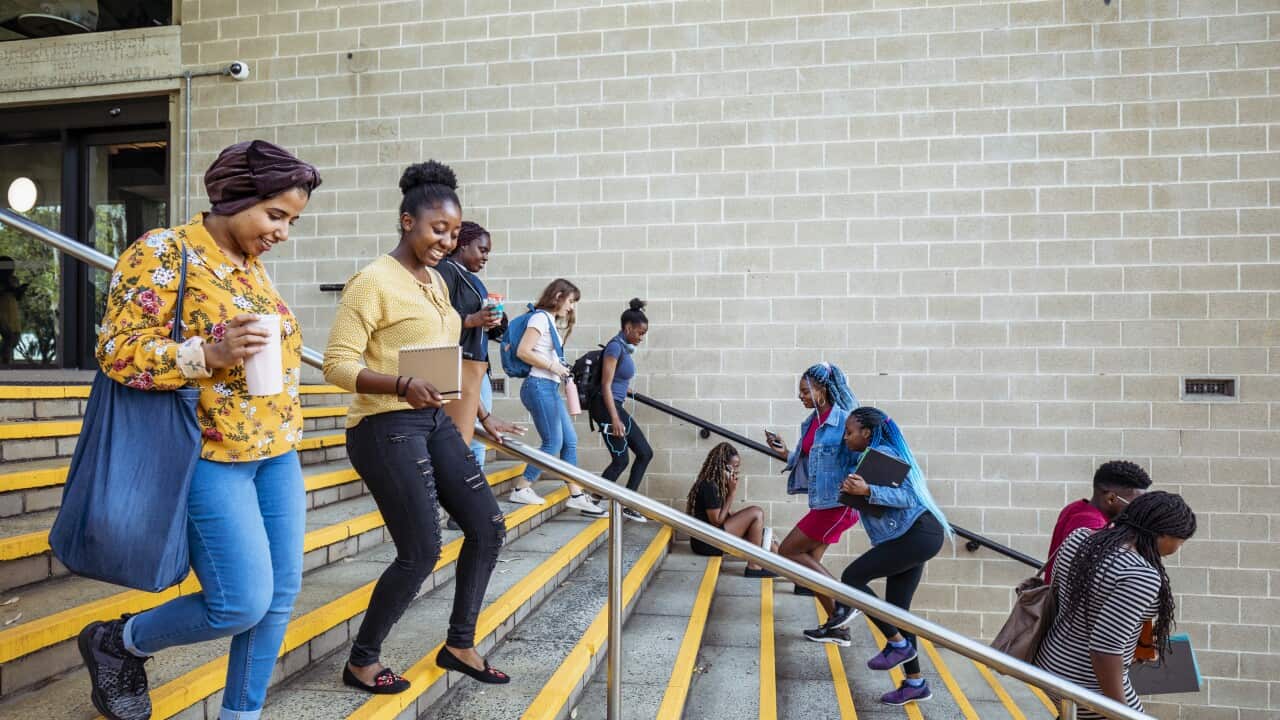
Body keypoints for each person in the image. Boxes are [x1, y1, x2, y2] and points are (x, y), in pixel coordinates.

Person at [77, 140, 321, 720]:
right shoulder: (164, 252)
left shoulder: (250, 266)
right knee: (240, 603)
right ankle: (119, 641)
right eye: (276, 215)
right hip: (207, 453)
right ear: (234, 196)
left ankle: (242, 714)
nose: (283, 232)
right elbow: (116, 349)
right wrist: (205, 355)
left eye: (291, 220)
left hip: (275, 449)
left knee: (280, 598)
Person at [324, 160, 523, 694]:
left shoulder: (436, 279)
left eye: (455, 232)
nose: (447, 240)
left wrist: (476, 404)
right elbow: (336, 364)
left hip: (431, 417)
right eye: (439, 229)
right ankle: (361, 660)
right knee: (421, 550)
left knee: (487, 526)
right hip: (383, 425)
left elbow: (443, 341)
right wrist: (399, 384)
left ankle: (460, 644)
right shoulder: (372, 281)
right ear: (406, 220)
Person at [804, 407, 953, 708]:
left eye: (849, 432)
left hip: (917, 534)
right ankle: (915, 683)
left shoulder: (884, 453)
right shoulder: (869, 456)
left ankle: (897, 644)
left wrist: (867, 489)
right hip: (912, 537)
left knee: (852, 578)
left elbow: (908, 497)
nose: (846, 437)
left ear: (866, 433)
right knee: (898, 610)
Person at [1035, 492, 1197, 719]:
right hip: (1086, 688)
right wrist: (1120, 712)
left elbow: (1059, 601)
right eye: (1181, 539)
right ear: (1163, 533)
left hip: (1045, 670)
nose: (1179, 547)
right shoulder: (1141, 575)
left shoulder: (1079, 538)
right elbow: (1104, 651)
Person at [765, 363, 859, 613]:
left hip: (838, 504)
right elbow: (812, 458)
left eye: (806, 391)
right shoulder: (812, 422)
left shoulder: (843, 420)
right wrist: (785, 452)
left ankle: (845, 605)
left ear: (823, 391)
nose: (800, 396)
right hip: (823, 503)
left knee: (787, 551)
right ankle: (836, 625)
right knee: (809, 568)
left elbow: (862, 455)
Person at [510, 278, 608, 516]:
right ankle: (521, 488)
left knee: (570, 441)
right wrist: (554, 367)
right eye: (571, 301)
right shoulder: (540, 318)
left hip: (548, 387)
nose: (572, 307)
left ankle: (575, 495)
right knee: (552, 442)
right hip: (538, 385)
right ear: (558, 295)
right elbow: (523, 351)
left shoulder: (549, 322)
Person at [436, 221, 506, 451]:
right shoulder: (446, 269)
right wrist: (472, 319)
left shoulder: (473, 279)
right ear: (463, 245)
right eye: (482, 250)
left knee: (475, 439)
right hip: (456, 365)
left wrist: (496, 322)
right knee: (469, 441)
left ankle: (468, 484)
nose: (486, 257)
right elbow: (437, 314)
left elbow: (478, 321)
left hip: (476, 365)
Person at [588, 298, 653, 521]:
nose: (641, 338)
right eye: (640, 333)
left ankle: (618, 502)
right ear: (628, 328)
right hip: (607, 408)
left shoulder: (623, 347)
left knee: (644, 453)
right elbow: (605, 384)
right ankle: (594, 501)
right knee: (621, 460)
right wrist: (615, 419)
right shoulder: (615, 347)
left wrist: (625, 390)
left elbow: (616, 380)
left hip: (614, 404)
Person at [1045, 460, 1151, 582]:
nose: (1139, 509)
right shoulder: (1093, 525)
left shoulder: (1074, 508)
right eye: (1135, 504)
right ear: (1111, 498)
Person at [686, 442, 778, 576]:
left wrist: (744, 524)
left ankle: (794, 576)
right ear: (723, 466)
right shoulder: (709, 486)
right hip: (705, 542)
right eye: (734, 467)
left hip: (712, 535)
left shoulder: (717, 483)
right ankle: (753, 566)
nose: (736, 471)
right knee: (756, 512)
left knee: (771, 545)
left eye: (737, 467)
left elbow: (725, 515)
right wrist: (732, 493)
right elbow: (717, 521)